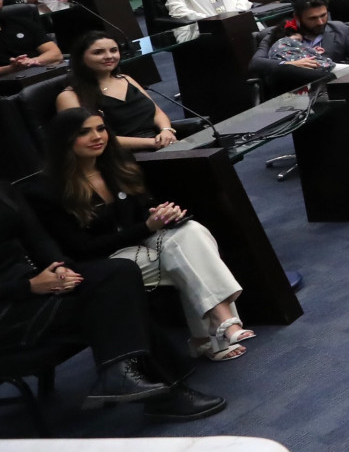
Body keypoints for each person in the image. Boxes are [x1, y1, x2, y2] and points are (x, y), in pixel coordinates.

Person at [0, 170, 226, 421]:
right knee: (110, 300)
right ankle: (163, 393)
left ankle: (120, 372)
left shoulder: (4, 188)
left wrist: (61, 267)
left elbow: (37, 237)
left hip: (32, 284)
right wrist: (29, 286)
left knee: (119, 272)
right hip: (9, 308)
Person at [33, 108, 252, 361]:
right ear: (64, 140)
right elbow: (83, 249)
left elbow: (140, 215)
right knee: (189, 255)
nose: (97, 137)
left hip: (141, 245)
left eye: (101, 129)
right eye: (85, 132)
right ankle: (215, 331)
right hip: (105, 264)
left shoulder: (118, 167)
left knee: (191, 231)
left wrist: (163, 215)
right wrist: (147, 227)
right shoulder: (46, 190)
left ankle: (218, 327)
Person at [56, 32, 181, 153]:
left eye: (114, 50)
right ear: (81, 58)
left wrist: (166, 130)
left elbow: (157, 113)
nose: (109, 56)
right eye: (98, 52)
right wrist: (152, 142)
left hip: (159, 144)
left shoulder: (126, 79)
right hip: (120, 157)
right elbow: (90, 139)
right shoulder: (69, 96)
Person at [251, 0, 349, 91]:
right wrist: (290, 65)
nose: (320, 22)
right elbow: (256, 64)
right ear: (297, 17)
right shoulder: (280, 33)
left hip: (334, 89)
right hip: (293, 94)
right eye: (312, 18)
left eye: (323, 15)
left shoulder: (340, 29)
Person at [0, 6, 60, 73]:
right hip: (7, 79)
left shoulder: (20, 22)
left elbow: (56, 54)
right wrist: (12, 68)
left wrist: (31, 61)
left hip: (42, 71)